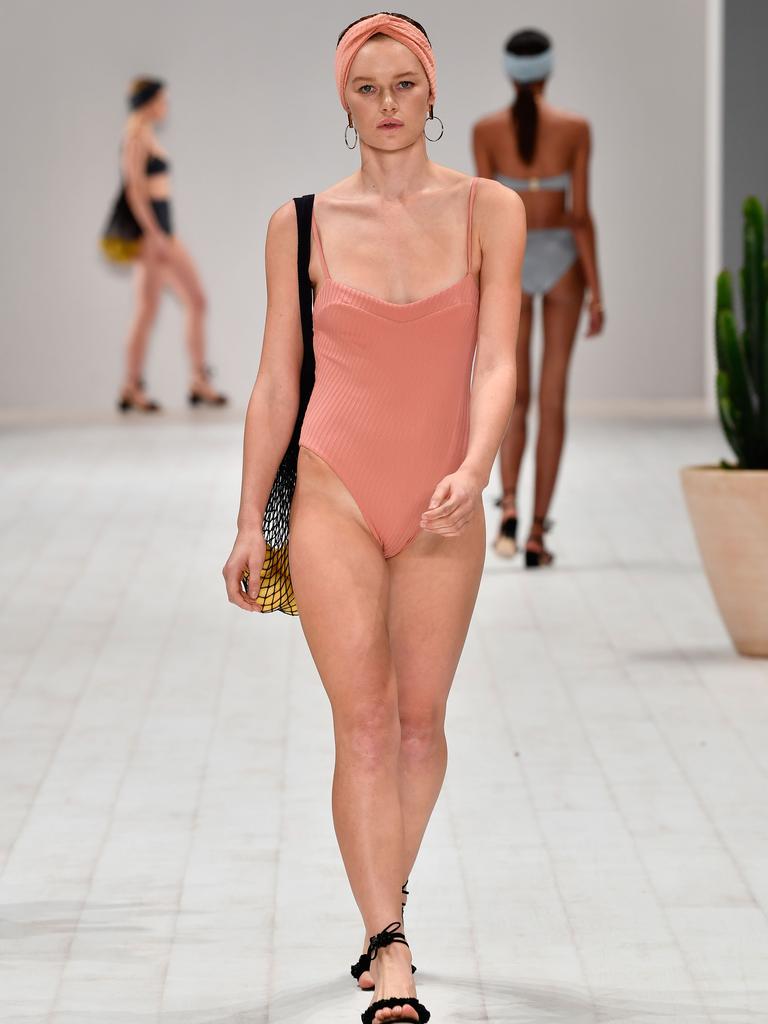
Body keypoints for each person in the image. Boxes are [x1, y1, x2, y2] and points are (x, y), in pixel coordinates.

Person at [222, 12, 524, 1023]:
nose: (388, 105)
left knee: (421, 728)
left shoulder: (491, 210)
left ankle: (382, 899)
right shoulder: (299, 224)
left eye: (405, 85)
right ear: (342, 101)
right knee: (362, 723)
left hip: (445, 494)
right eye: (367, 88)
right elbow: (274, 384)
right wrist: (242, 524)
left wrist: (477, 466)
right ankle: (388, 946)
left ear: (433, 90)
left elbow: (498, 360)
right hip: (332, 492)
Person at [473, 29, 604, 566]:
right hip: (563, 262)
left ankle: (506, 507)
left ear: (509, 72)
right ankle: (536, 535)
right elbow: (578, 213)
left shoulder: (486, 130)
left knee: (514, 396)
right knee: (552, 400)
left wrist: (476, 285)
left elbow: (483, 213)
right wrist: (597, 289)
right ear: (547, 70)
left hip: (512, 258)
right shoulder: (574, 129)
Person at [101, 77, 227, 412]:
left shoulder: (144, 134)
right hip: (154, 235)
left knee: (182, 303)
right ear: (149, 101)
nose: (166, 106)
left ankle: (190, 381)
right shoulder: (135, 137)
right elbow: (134, 191)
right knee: (161, 307)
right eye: (162, 100)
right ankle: (148, 385)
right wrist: (154, 235)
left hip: (161, 232)